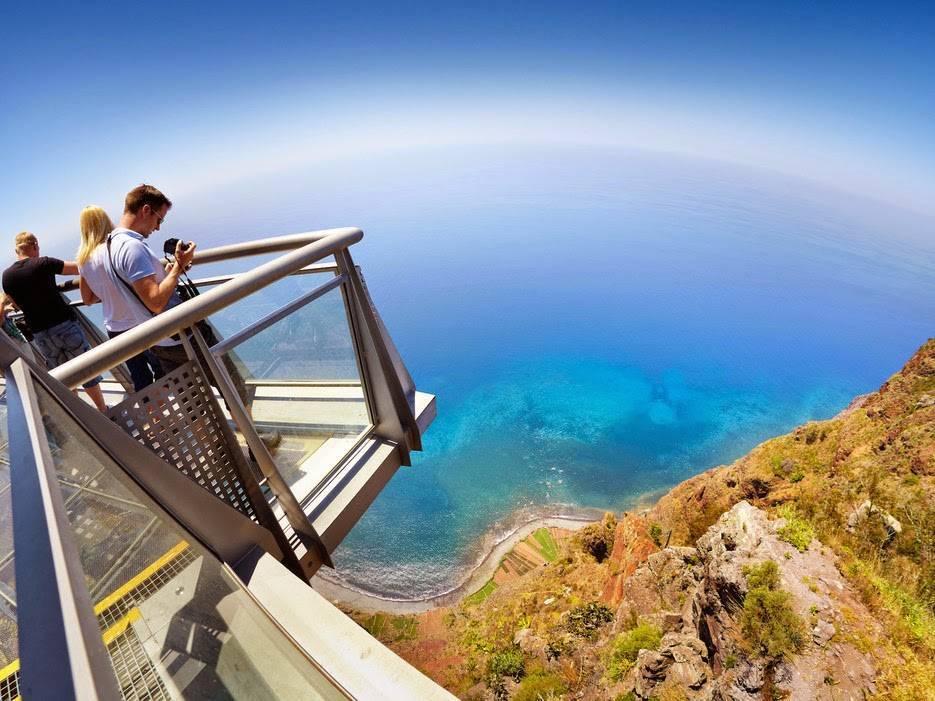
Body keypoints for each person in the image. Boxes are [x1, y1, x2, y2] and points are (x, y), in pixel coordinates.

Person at [2, 232, 108, 410]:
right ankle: (103, 411)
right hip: (64, 324)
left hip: (40, 333)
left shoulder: (7, 276)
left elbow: (16, 305)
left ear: (17, 250)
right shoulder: (43, 263)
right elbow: (80, 268)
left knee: (65, 378)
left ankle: (81, 416)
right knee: (86, 370)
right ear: (34, 245)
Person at [77, 204, 165, 391]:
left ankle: (155, 417)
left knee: (141, 378)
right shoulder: (113, 250)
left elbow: (87, 299)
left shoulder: (83, 261)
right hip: (140, 321)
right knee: (162, 370)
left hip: (115, 328)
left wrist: (105, 292)